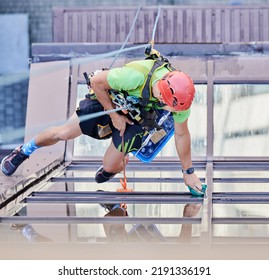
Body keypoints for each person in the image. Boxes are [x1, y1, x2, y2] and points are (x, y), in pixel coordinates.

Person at [1, 49, 203, 194]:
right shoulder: (134, 77)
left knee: (110, 167)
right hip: (108, 99)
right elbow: (97, 82)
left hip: (137, 116)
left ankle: (115, 163)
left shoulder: (180, 101)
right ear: (162, 95)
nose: (172, 112)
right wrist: (114, 116)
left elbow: (182, 133)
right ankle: (24, 151)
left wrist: (188, 172)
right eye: (170, 108)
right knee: (63, 133)